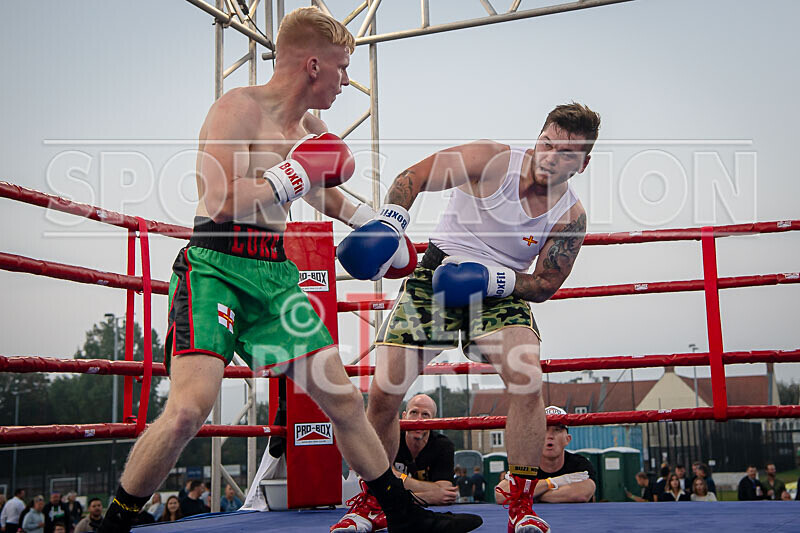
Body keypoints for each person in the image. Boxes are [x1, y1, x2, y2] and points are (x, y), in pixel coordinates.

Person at [96, 8, 480, 533]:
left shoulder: (311, 127)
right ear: (314, 65)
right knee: (190, 409)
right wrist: (294, 172)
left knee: (343, 398)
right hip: (215, 267)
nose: (346, 82)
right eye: (343, 69)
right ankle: (114, 521)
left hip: (275, 276)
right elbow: (221, 198)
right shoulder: (237, 109)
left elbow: (319, 188)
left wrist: (372, 222)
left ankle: (403, 515)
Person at [336, 103, 600, 533]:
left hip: (500, 290)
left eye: (567, 154)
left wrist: (494, 279)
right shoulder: (489, 160)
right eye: (548, 143)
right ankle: (373, 500)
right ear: (538, 137)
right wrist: (392, 221)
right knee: (385, 391)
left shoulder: (570, 216)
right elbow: (413, 177)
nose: (551, 157)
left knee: (526, 376)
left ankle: (520, 505)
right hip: (436, 273)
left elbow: (546, 282)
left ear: (583, 164)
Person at [494, 406, 596, 505]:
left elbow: (580, 494)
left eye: (557, 430)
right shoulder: (525, 465)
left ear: (567, 439)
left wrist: (528, 494)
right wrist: (555, 482)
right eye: (543, 430)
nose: (550, 436)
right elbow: (501, 494)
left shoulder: (579, 464)